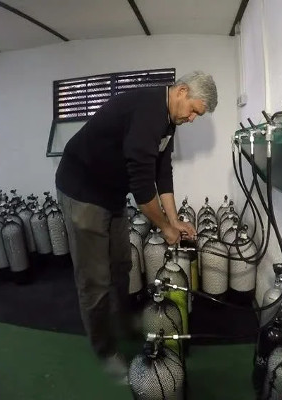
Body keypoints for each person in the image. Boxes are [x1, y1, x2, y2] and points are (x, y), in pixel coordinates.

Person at [54, 71, 218, 383]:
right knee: (94, 279)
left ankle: (122, 320)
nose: (194, 118)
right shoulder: (147, 112)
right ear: (181, 91)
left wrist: (174, 220)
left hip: (112, 192)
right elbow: (144, 192)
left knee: (122, 263)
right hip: (83, 190)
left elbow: (162, 172)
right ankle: (106, 350)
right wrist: (165, 229)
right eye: (195, 110)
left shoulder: (170, 120)